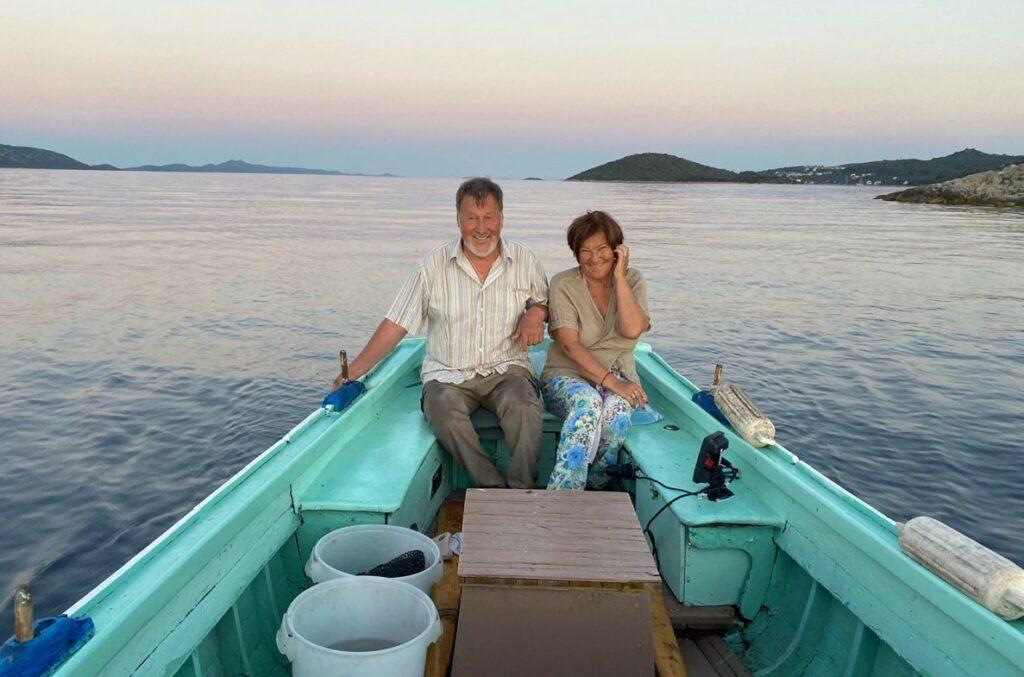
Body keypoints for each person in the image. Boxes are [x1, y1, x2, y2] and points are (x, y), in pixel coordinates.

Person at [332, 178, 548, 489]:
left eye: (489, 217)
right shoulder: (431, 266)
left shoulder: (526, 260)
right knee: (443, 412)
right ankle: (491, 487)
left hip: (507, 368)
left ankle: (520, 488)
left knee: (525, 408)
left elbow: (543, 301)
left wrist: (536, 313)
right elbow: (396, 323)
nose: (481, 228)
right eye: (472, 218)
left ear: (501, 217)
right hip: (447, 374)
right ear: (458, 219)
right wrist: (353, 371)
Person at [541, 210, 651, 491]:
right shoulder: (563, 284)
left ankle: (597, 486)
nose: (594, 257)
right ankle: (563, 497)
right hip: (567, 374)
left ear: (616, 249)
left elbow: (632, 329)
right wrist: (612, 383)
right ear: (576, 254)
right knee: (588, 405)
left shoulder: (633, 280)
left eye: (602, 248)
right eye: (585, 250)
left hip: (620, 372)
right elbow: (569, 345)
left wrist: (619, 277)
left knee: (617, 415)